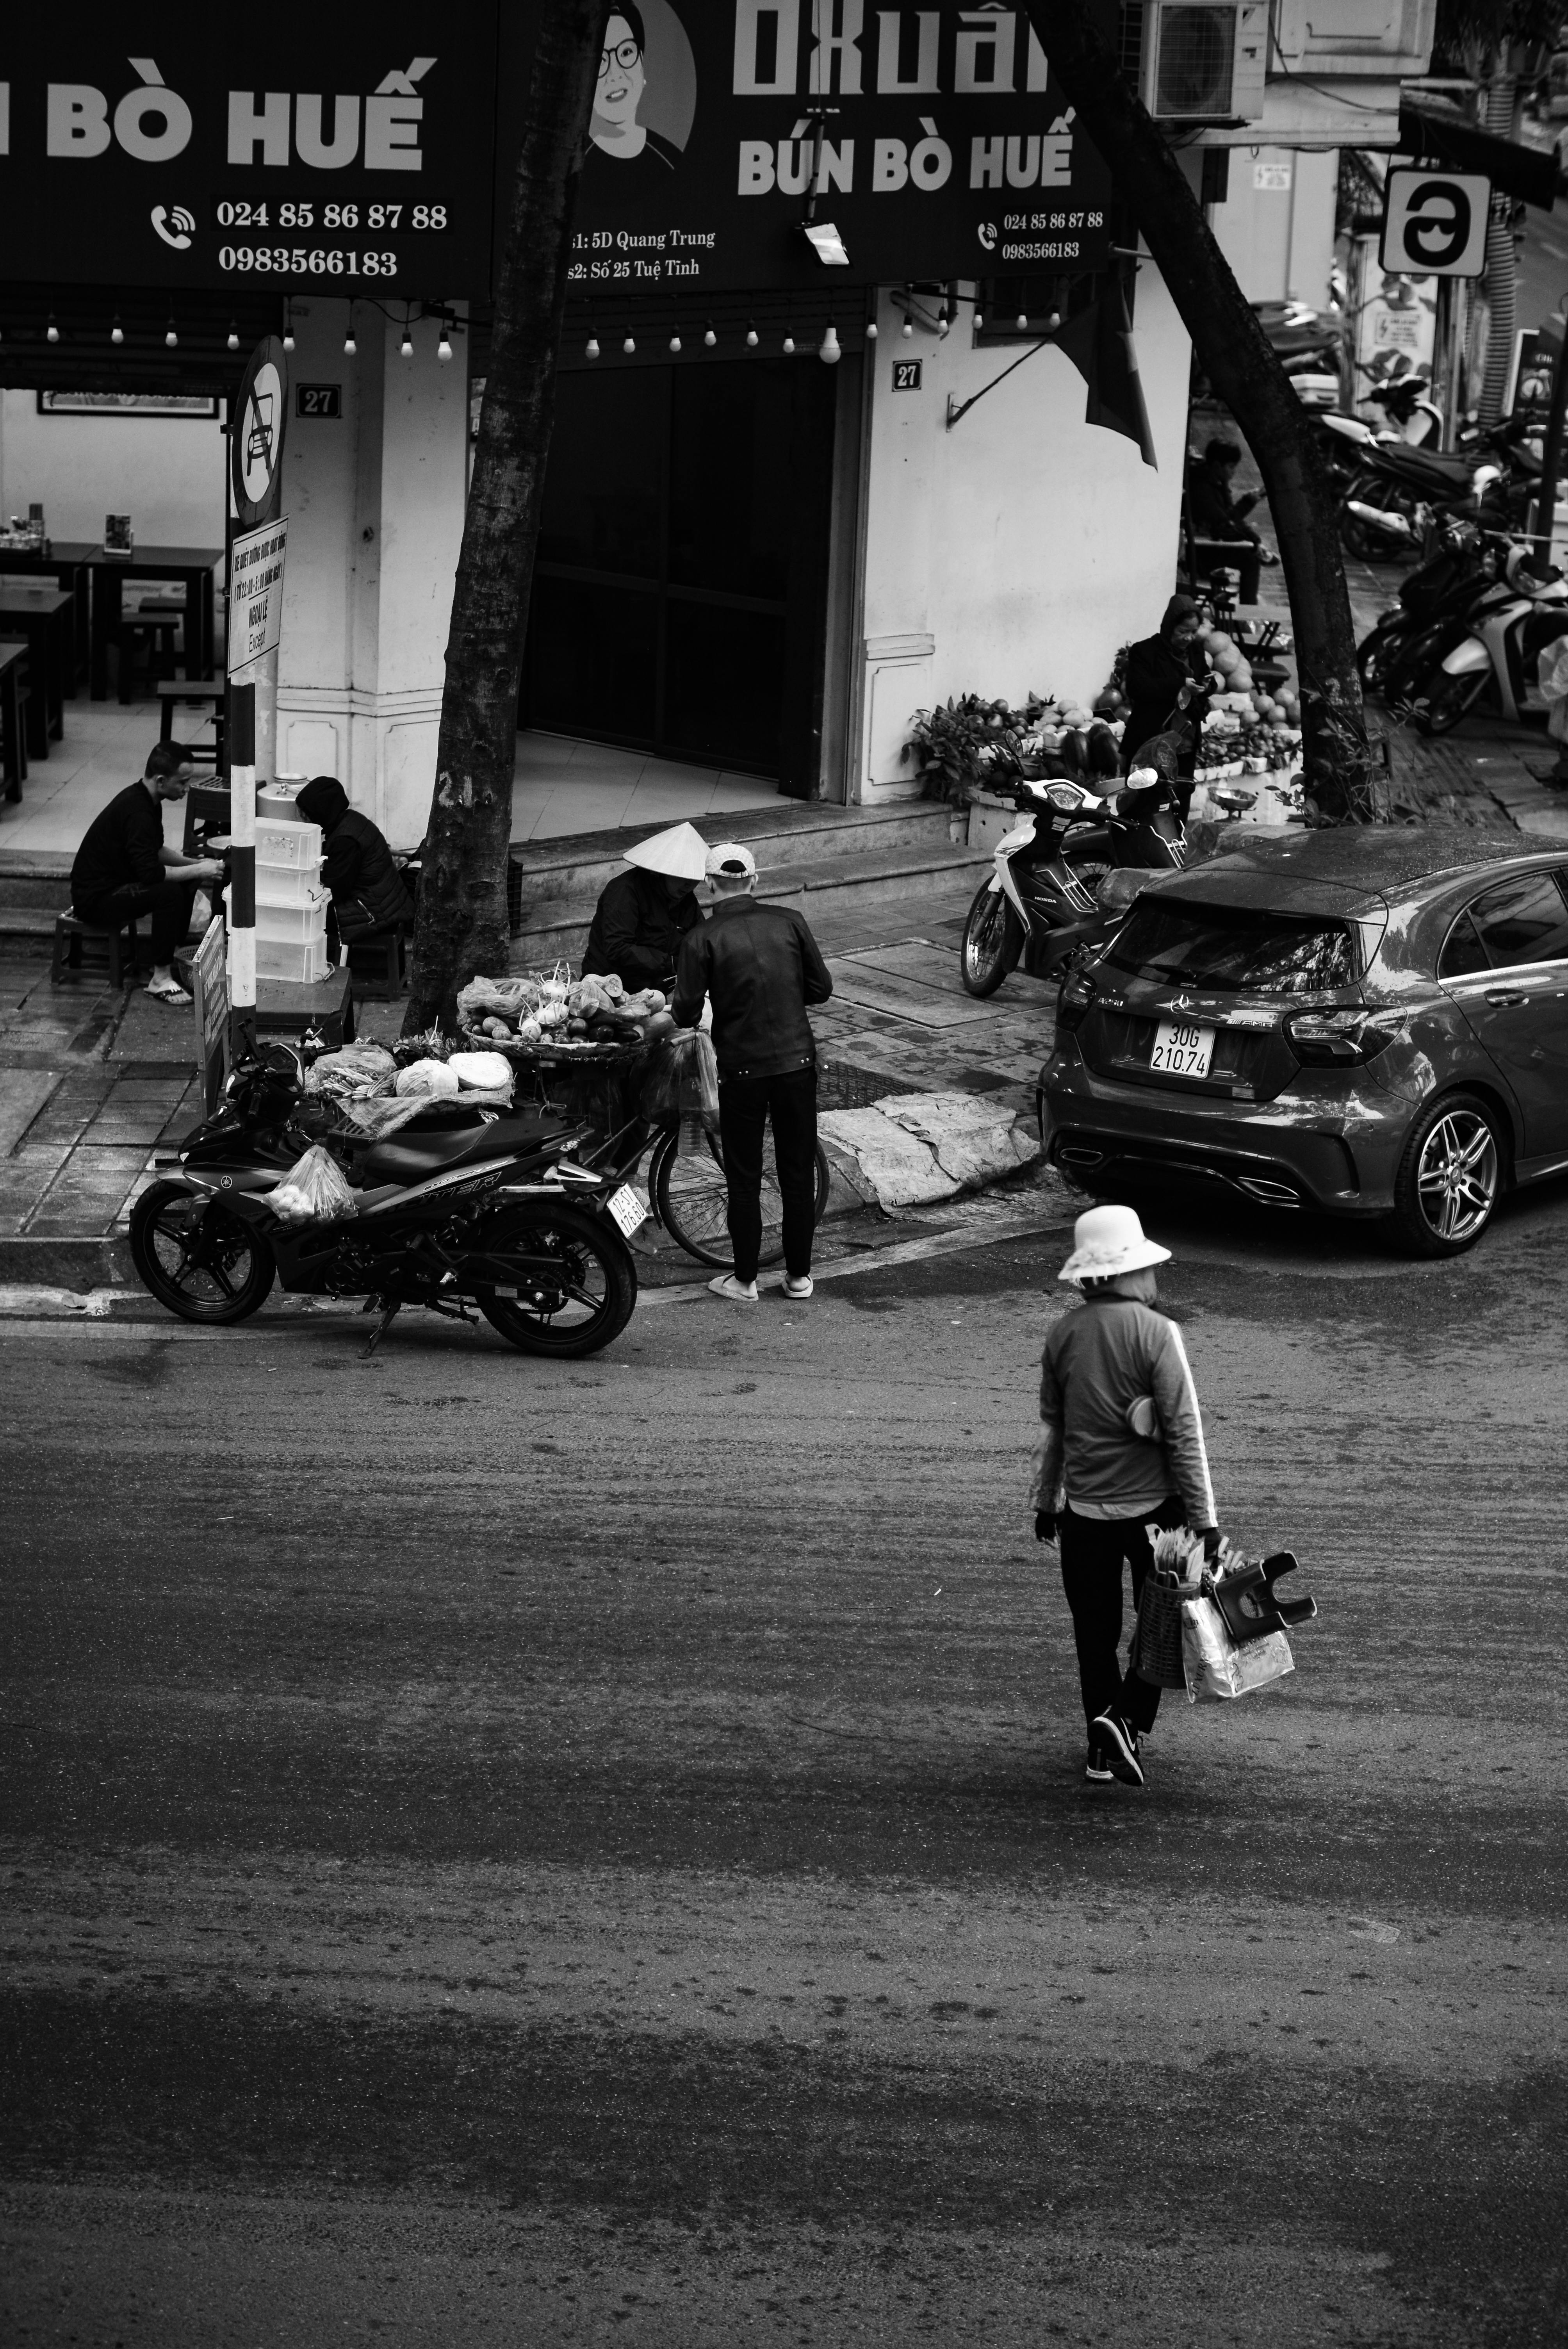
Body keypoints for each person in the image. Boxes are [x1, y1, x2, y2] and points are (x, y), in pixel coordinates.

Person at [1030, 1203, 1222, 1789]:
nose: (1155, 1277)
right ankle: (1125, 1722)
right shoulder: (1159, 1334)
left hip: (1082, 1516)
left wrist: (1046, 1500)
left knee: (1096, 1637)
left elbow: (1054, 1429)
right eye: (1147, 1267)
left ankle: (1101, 1747)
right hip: (1156, 1520)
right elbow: (1185, 1434)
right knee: (1161, 1629)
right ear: (1126, 1274)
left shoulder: (1062, 1334)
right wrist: (1205, 1522)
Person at [671, 841, 832, 1306]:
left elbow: (684, 1012)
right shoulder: (789, 922)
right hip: (797, 1062)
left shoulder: (700, 938)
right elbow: (821, 989)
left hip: (742, 1069)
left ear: (709, 886)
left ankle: (744, 1282)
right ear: (755, 881)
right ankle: (798, 1277)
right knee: (797, 1170)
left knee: (743, 1174)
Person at [69, 742, 224, 1003]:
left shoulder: (151, 801)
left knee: (188, 881)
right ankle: (160, 978)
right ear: (162, 780)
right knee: (169, 893)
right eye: (183, 783)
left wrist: (193, 865)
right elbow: (151, 874)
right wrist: (197, 868)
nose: (187, 789)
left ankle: (169, 955)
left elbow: (156, 850)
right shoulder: (137, 810)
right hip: (94, 899)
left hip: (117, 884)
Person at [294, 776, 413, 961]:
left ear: (321, 811)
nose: (303, 819)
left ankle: (305, 967)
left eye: (305, 814)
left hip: (370, 912)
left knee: (297, 916)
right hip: (383, 902)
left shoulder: (346, 840)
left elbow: (334, 890)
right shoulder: (351, 820)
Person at [1121, 594, 1220, 809]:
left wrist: (1207, 686)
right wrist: (1180, 684)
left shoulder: (1195, 651)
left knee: (1180, 802)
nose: (1188, 638)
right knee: (1143, 804)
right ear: (1169, 627)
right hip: (1150, 742)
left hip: (1185, 741)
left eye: (1193, 633)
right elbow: (1137, 688)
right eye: (1183, 632)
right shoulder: (1145, 651)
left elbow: (1206, 677)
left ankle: (1178, 841)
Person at [582, 821, 706, 992]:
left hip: (655, 991)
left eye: (694, 879)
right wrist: (670, 962)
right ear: (662, 872)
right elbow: (618, 948)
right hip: (610, 987)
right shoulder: (624, 891)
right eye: (682, 878)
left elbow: (701, 937)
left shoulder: (686, 898)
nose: (689, 885)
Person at [586, 5, 681, 183]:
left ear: (642, 61)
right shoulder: (575, 163)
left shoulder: (667, 156)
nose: (615, 74)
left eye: (626, 53)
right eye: (601, 60)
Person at [1185, 436, 1278, 602]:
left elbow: (1231, 519)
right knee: (1250, 560)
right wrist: (1248, 504)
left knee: (1251, 555)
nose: (1233, 472)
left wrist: (1254, 540)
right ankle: (1248, 609)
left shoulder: (1217, 483)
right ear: (1216, 465)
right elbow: (1224, 523)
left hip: (1213, 544)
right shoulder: (1201, 489)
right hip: (1200, 554)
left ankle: (1249, 605)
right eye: (1230, 467)